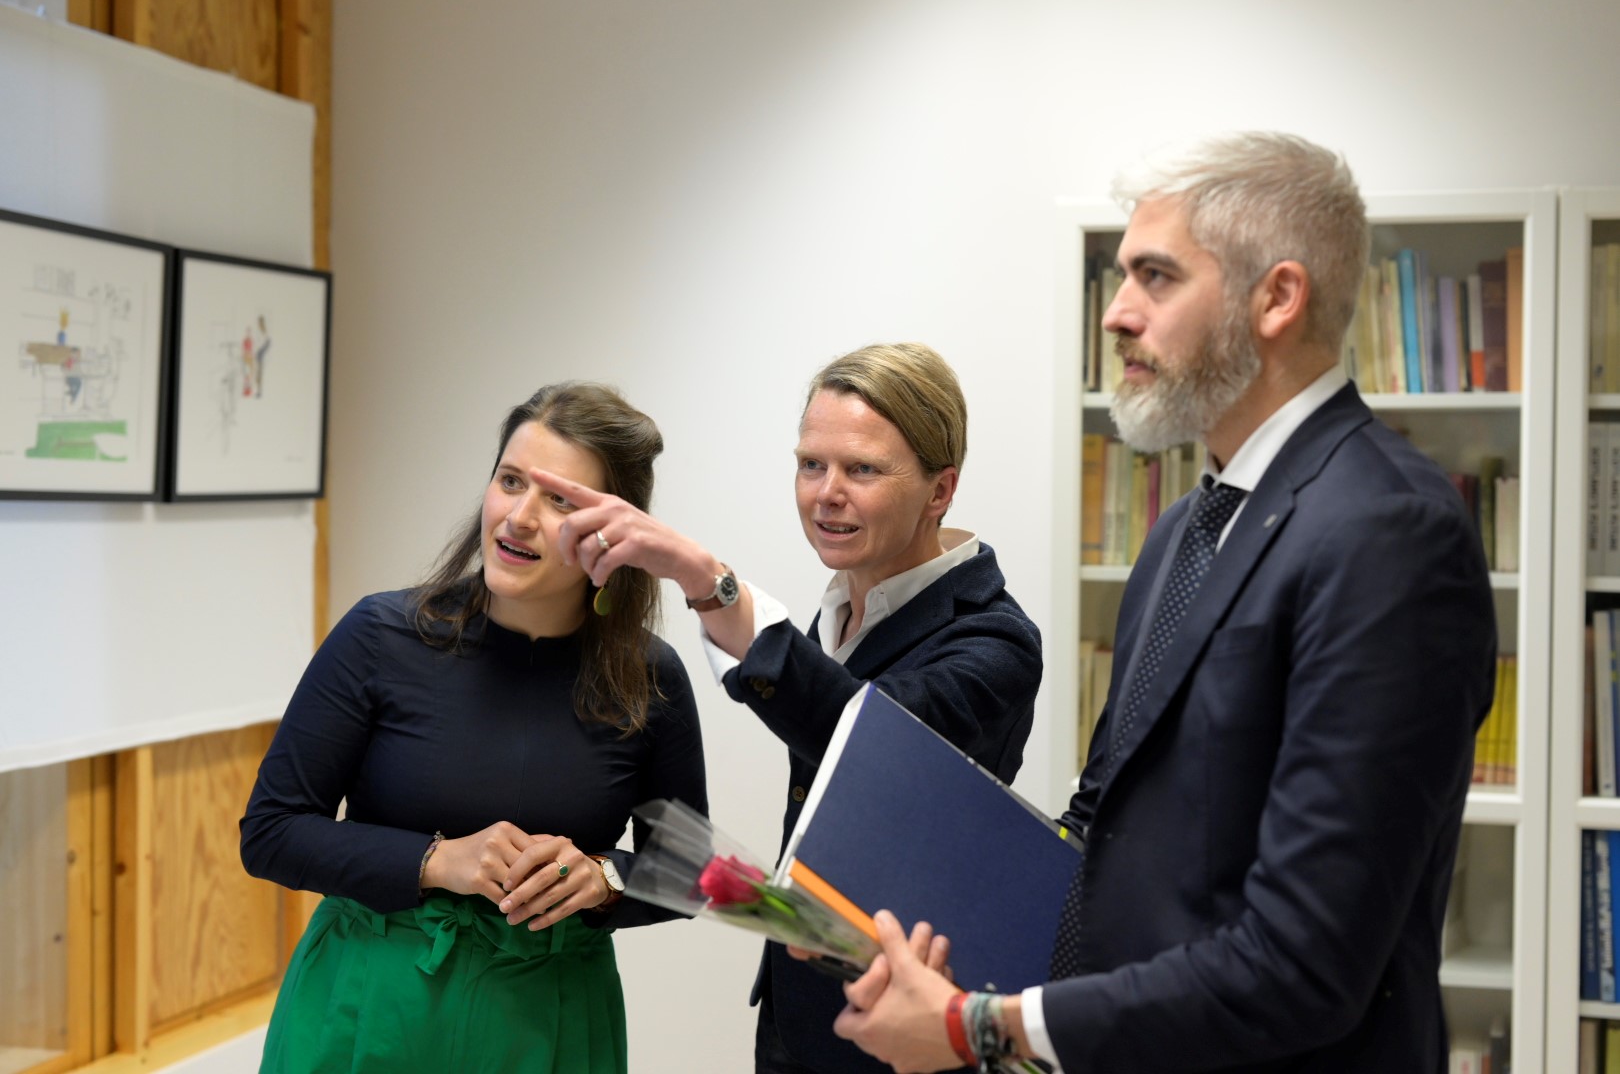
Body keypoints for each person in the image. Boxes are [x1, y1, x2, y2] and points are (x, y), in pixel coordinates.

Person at [831, 132, 1498, 1072]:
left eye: (1155, 277)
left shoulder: (1389, 531)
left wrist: (977, 1029)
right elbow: (1104, 824)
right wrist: (908, 938)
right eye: (1120, 276)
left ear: (1277, 296)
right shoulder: (1186, 527)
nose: (1117, 314)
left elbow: (1306, 962)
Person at [532, 342, 1043, 1074]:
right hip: (798, 1010)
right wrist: (732, 889)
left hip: (909, 1032)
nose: (825, 493)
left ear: (940, 490)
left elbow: (866, 743)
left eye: (862, 469)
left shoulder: (996, 641)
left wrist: (709, 582)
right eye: (811, 464)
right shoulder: (843, 607)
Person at [239, 382, 708, 1074]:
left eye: (560, 501)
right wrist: (435, 862)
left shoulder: (650, 676)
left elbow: (689, 873)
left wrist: (603, 875)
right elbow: (270, 832)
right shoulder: (379, 636)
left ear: (617, 531)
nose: (519, 518)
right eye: (510, 481)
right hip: (366, 1009)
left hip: (549, 1023)